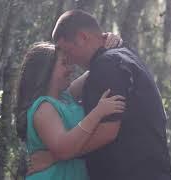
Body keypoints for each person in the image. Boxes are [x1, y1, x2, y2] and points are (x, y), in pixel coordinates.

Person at [29, 10, 171, 180]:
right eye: (64, 60)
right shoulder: (120, 56)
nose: (71, 62)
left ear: (82, 37)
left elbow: (108, 131)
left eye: (68, 52)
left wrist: (56, 157)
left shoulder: (107, 64)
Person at [16, 37, 125, 180]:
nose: (71, 68)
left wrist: (106, 41)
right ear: (46, 71)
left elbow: (96, 69)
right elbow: (64, 149)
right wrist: (98, 112)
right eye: (64, 63)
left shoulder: (66, 97)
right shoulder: (43, 108)